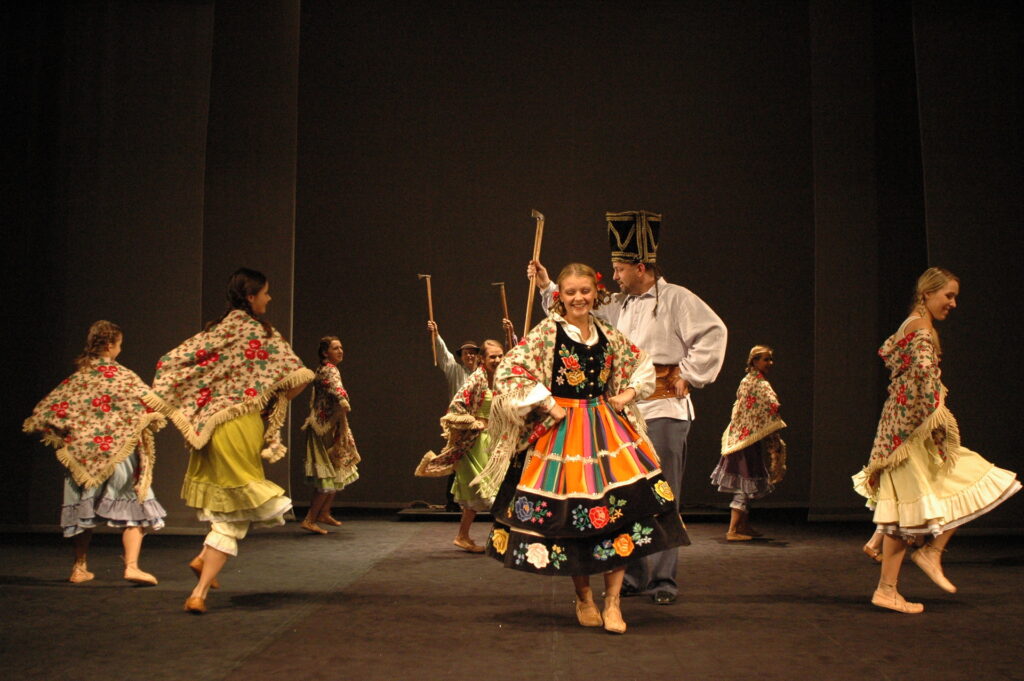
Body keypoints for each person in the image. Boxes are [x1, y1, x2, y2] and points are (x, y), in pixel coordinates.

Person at [477, 263, 689, 634]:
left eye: (585, 291)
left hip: (606, 430)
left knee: (619, 513)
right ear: (559, 295)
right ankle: (585, 597)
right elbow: (511, 369)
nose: (578, 298)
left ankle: (614, 603)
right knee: (574, 518)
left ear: (597, 293)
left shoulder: (607, 332)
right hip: (564, 436)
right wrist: (545, 400)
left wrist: (624, 396)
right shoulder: (547, 333)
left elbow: (640, 365)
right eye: (570, 292)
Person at [530, 210, 727, 605]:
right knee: (625, 496)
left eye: (619, 268)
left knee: (663, 495)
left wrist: (689, 374)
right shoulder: (617, 304)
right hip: (622, 416)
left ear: (640, 267)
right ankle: (633, 574)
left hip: (664, 411)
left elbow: (713, 332)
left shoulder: (677, 299)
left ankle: (664, 579)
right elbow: (575, 313)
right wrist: (548, 284)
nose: (614, 276)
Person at [852, 267, 1020, 613]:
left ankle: (913, 551)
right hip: (910, 434)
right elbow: (925, 385)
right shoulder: (923, 333)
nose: (953, 303)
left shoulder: (909, 326)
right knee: (956, 484)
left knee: (926, 495)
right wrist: (938, 426)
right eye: (948, 296)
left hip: (901, 431)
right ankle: (894, 582)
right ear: (927, 295)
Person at [147, 268, 313, 614]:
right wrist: (274, 401)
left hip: (209, 429)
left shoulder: (217, 331)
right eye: (265, 293)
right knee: (236, 512)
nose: (269, 298)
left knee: (228, 503)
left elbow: (170, 362)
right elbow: (298, 376)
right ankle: (200, 592)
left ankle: (203, 559)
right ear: (251, 297)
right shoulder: (259, 333)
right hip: (239, 426)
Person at [24, 320, 167, 585]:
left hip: (84, 458)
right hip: (118, 457)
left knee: (83, 511)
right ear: (111, 344)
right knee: (135, 508)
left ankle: (79, 567)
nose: (119, 350)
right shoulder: (122, 376)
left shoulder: (78, 379)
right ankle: (132, 566)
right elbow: (149, 405)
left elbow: (45, 412)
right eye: (119, 345)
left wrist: (75, 437)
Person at [417, 340, 505, 551]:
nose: (497, 360)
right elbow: (456, 405)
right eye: (492, 356)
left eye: (500, 356)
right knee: (491, 492)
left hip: (492, 441)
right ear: (482, 359)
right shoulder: (477, 379)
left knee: (485, 493)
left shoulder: (499, 379)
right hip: (475, 443)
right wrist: (473, 422)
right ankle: (499, 539)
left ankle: (465, 536)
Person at [711, 345, 787, 541]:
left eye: (770, 359)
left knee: (749, 481)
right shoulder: (756, 383)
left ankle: (743, 526)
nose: (770, 363)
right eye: (765, 359)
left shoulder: (751, 381)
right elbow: (770, 406)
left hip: (746, 439)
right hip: (743, 442)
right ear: (754, 361)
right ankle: (733, 530)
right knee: (744, 484)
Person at [300, 336, 360, 534]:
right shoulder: (328, 369)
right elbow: (334, 387)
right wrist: (343, 400)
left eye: (341, 347)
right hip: (323, 427)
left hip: (332, 425)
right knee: (327, 472)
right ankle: (310, 519)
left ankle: (324, 512)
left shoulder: (328, 368)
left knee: (336, 467)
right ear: (326, 352)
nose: (340, 351)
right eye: (336, 348)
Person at [426, 320, 480, 511]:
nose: (470, 356)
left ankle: (479, 499)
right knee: (455, 458)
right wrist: (436, 335)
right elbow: (444, 356)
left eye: (473, 352)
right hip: (458, 423)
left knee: (479, 459)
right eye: (466, 353)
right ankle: (452, 501)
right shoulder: (455, 371)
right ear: (462, 357)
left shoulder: (483, 374)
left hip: (478, 423)